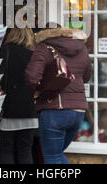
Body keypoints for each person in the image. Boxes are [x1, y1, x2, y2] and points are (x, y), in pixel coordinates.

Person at [25, 25, 92, 164]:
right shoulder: (82, 48)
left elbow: (31, 77)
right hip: (78, 111)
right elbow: (86, 77)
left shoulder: (43, 47)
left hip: (54, 110)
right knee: (57, 155)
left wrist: (39, 91)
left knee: (53, 157)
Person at [0, 27, 38, 164]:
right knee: (25, 150)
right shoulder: (35, 55)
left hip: (9, 107)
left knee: (7, 149)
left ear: (12, 34)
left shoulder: (5, 51)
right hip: (29, 108)